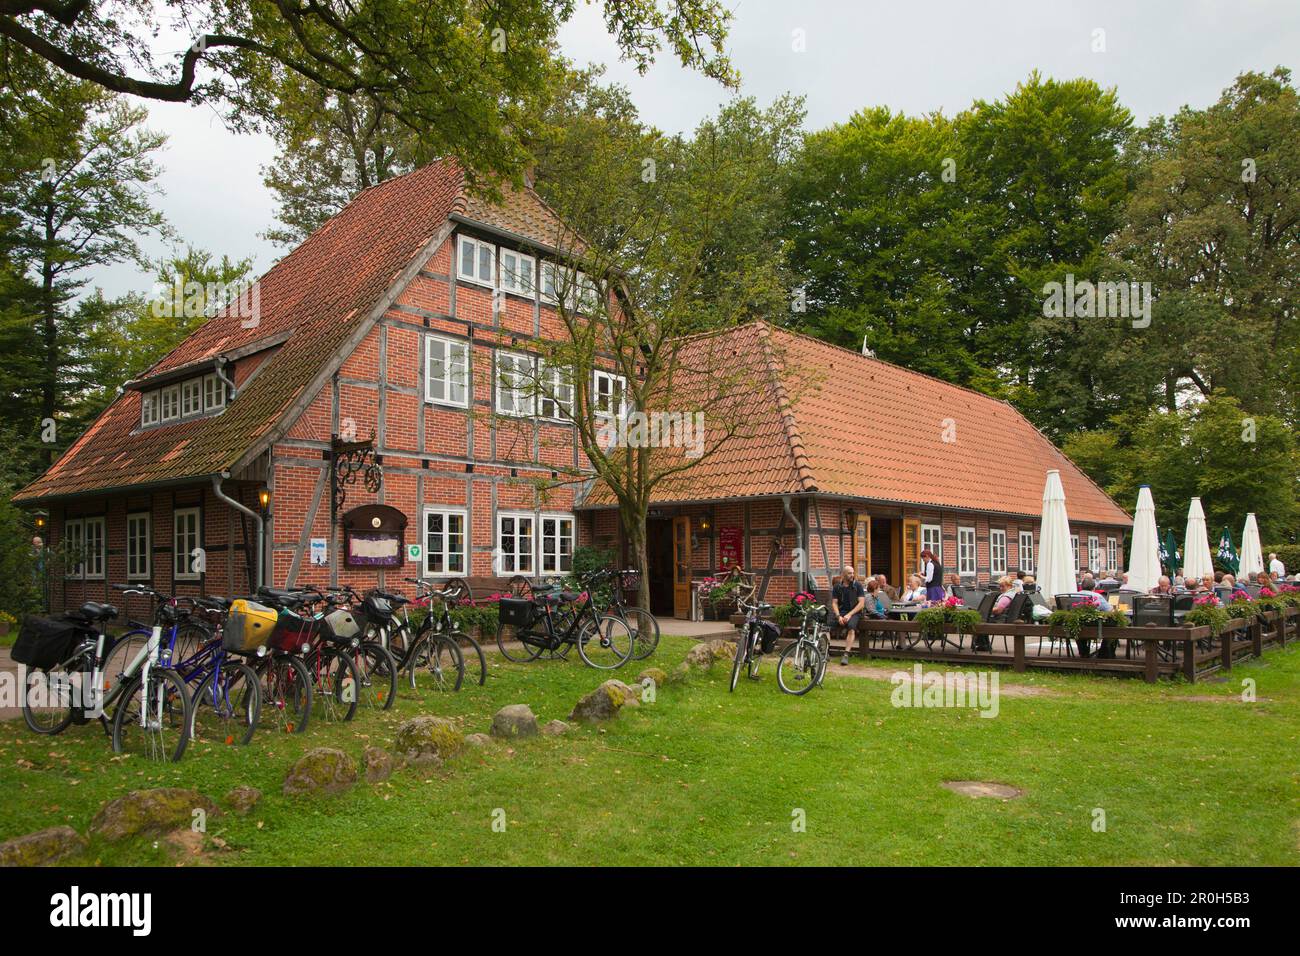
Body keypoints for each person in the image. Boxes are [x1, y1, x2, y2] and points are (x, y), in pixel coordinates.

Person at [831, 565, 865, 666]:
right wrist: (838, 616)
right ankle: (824, 653)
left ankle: (846, 654)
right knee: (827, 626)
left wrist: (849, 615)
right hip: (841, 612)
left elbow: (861, 604)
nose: (852, 575)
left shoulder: (857, 585)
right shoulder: (837, 587)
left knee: (851, 628)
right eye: (850, 573)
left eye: (853, 573)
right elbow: (834, 603)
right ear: (843, 575)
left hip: (854, 612)